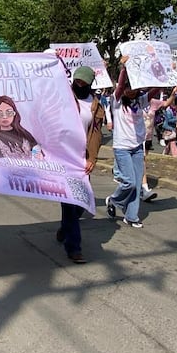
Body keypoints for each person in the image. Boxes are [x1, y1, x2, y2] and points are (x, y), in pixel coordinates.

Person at [56, 66, 106, 263]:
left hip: (82, 159)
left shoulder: (95, 105)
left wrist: (92, 158)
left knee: (81, 202)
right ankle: (74, 247)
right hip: (64, 157)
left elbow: (96, 135)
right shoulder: (63, 98)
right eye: (76, 82)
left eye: (83, 83)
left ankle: (65, 228)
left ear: (90, 84)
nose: (79, 85)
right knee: (71, 202)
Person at [105, 59, 154, 228]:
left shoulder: (140, 101)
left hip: (137, 147)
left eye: (134, 89)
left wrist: (164, 77)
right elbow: (119, 87)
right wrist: (124, 69)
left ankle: (131, 216)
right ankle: (113, 200)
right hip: (122, 147)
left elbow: (155, 91)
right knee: (129, 182)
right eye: (129, 88)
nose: (131, 91)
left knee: (137, 184)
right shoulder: (117, 101)